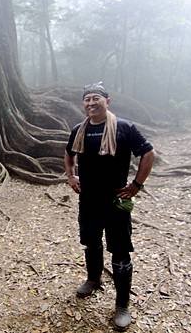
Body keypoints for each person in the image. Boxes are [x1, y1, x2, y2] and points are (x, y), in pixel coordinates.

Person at [64, 83, 155, 330]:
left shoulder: (124, 128)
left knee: (120, 250)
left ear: (107, 101)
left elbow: (148, 153)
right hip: (89, 198)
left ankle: (122, 305)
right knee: (91, 241)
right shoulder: (78, 130)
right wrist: (71, 176)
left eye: (96, 98)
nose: (91, 103)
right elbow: (69, 154)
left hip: (117, 199)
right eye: (86, 99)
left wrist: (136, 184)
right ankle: (93, 279)